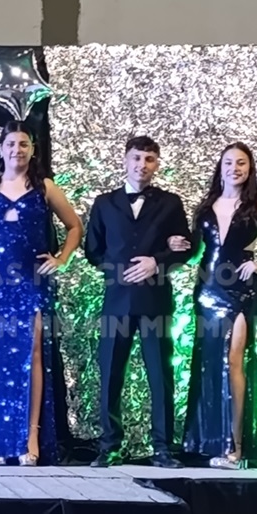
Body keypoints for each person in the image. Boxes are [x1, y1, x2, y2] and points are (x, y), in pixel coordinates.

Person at [174, 142, 257, 469]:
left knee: (233, 361)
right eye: (229, 162)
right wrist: (178, 244)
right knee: (210, 364)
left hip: (241, 290)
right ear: (221, 167)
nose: (234, 168)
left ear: (249, 168)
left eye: (241, 163)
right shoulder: (206, 207)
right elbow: (195, 252)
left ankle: (235, 448)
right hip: (207, 290)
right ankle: (208, 441)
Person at [0, 122, 82, 466]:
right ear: (0, 149)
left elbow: (75, 226)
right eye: (11, 144)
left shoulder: (45, 187)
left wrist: (62, 258)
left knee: (32, 353)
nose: (16, 150)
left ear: (32, 149)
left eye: (23, 144)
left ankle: (30, 437)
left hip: (31, 279)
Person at [84, 135, 191, 468]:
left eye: (148, 159)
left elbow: (185, 249)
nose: (141, 165)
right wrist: (120, 271)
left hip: (155, 300)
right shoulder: (104, 203)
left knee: (160, 375)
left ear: (156, 164)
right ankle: (109, 446)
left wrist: (155, 262)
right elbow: (92, 251)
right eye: (136, 158)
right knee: (110, 374)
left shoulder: (171, 203)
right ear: (125, 160)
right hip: (117, 300)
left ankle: (163, 448)